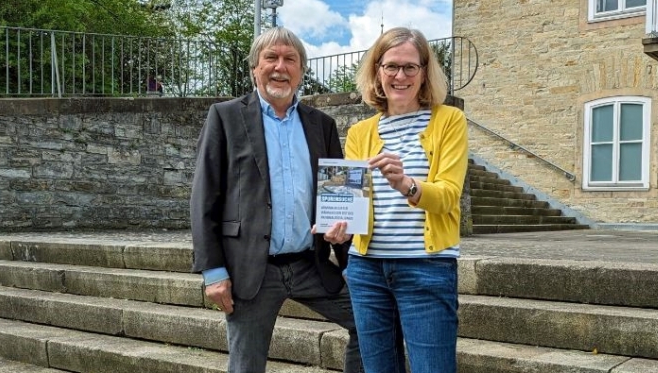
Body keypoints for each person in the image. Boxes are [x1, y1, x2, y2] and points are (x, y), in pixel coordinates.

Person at [190, 27, 361, 373]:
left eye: (290, 59)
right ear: (255, 67)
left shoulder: (322, 125)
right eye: (271, 57)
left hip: (310, 264)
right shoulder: (225, 116)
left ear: (301, 70)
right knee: (246, 365)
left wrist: (350, 260)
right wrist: (213, 271)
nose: (280, 66)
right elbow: (204, 195)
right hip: (252, 269)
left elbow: (338, 193)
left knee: (371, 322)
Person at [321, 27, 468, 373]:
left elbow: (448, 196)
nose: (399, 76)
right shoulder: (361, 132)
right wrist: (339, 228)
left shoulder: (449, 121)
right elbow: (354, 205)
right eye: (391, 66)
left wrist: (405, 184)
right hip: (366, 269)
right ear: (377, 71)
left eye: (410, 67)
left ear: (424, 72)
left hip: (426, 267)